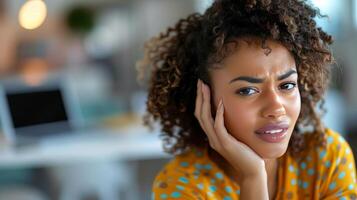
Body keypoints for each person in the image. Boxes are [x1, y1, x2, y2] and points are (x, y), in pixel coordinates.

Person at [137, 0, 357, 199]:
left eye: (287, 85)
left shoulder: (327, 158)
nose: (276, 108)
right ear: (205, 98)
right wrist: (253, 177)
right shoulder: (181, 185)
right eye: (247, 91)